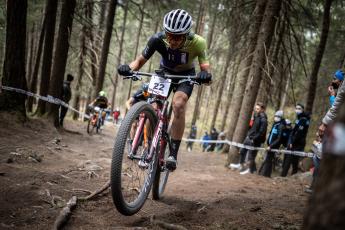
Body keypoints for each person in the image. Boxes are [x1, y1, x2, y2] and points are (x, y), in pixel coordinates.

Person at [118, 9, 212, 171]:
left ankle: (173, 154)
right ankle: (148, 148)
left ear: (186, 34)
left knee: (178, 104)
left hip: (186, 76)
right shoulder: (157, 39)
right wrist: (128, 68)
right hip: (164, 73)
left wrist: (205, 75)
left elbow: (205, 68)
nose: (172, 40)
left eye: (177, 37)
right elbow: (139, 61)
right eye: (169, 35)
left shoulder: (198, 42)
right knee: (152, 108)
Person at [229, 102, 268, 174]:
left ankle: (249, 170)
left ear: (262, 109)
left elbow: (261, 132)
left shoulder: (264, 120)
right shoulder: (256, 116)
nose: (256, 110)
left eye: (258, 109)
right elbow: (251, 127)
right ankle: (240, 165)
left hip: (255, 140)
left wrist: (254, 138)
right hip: (249, 137)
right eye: (256, 108)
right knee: (242, 151)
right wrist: (248, 134)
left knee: (251, 156)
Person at [281, 103, 310, 177]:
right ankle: (286, 175)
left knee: (291, 160)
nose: (297, 110)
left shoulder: (303, 119)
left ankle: (284, 176)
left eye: (299, 108)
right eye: (296, 108)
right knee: (292, 160)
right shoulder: (299, 118)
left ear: (302, 110)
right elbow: (294, 130)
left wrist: (292, 142)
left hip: (298, 143)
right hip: (295, 142)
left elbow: (299, 133)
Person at [318, 69, 344, 136]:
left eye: (335, 79)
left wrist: (324, 124)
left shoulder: (343, 87)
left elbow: (336, 108)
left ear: (340, 80)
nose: (333, 81)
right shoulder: (341, 88)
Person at [259, 110, 285, 177]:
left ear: (280, 117)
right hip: (270, 145)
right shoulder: (275, 124)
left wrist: (271, 146)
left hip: (273, 146)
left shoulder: (280, 126)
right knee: (268, 160)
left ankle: (265, 175)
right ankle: (265, 174)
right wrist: (268, 143)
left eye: (277, 116)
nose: (275, 117)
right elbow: (271, 134)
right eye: (275, 116)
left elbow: (279, 139)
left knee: (268, 160)